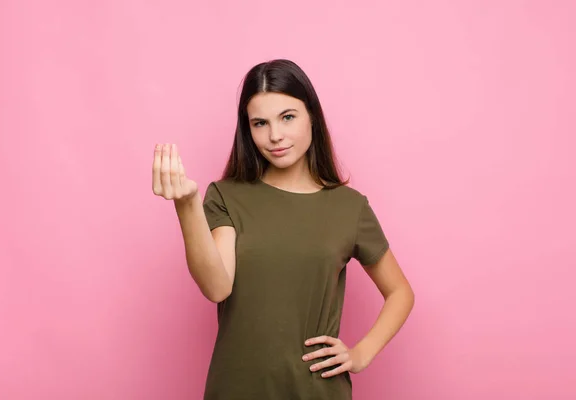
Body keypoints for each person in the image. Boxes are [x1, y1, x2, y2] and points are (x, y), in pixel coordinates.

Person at [152, 59, 415, 400]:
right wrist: (187, 205)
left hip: (317, 391)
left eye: (287, 117)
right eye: (260, 123)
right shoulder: (227, 196)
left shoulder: (349, 207)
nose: (275, 135)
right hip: (237, 390)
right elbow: (217, 287)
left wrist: (360, 354)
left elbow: (400, 292)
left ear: (312, 117)